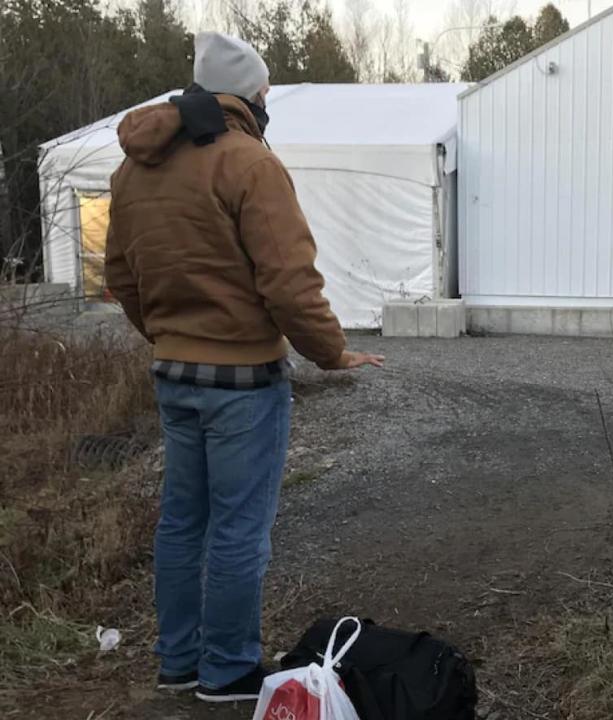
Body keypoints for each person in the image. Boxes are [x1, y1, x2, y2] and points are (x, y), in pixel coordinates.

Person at [105, 32, 384, 703]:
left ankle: (178, 661)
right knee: (237, 528)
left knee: (182, 522)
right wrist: (332, 352)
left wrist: (167, 336)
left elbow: (120, 275)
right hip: (242, 384)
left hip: (173, 372)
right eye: (265, 92)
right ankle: (228, 670)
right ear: (252, 95)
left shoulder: (132, 169)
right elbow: (289, 283)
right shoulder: (248, 162)